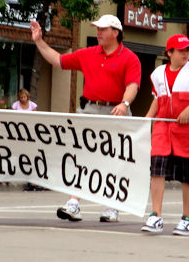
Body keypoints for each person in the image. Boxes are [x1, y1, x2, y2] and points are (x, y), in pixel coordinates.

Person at [30, 15, 141, 223]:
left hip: (116, 112)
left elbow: (132, 85)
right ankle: (74, 203)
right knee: (80, 156)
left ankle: (112, 205)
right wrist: (39, 41)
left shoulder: (130, 58)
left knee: (115, 160)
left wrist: (125, 104)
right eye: (97, 28)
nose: (98, 32)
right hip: (89, 109)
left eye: (102, 29)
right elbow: (58, 60)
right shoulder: (89, 53)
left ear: (115, 33)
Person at [141, 34, 189, 236]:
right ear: (169, 53)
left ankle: (187, 219)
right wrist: (147, 119)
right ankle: (155, 215)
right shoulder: (158, 73)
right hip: (162, 129)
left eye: (187, 50)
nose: (186, 53)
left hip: (188, 131)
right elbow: (157, 99)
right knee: (156, 170)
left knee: (188, 176)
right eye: (181, 50)